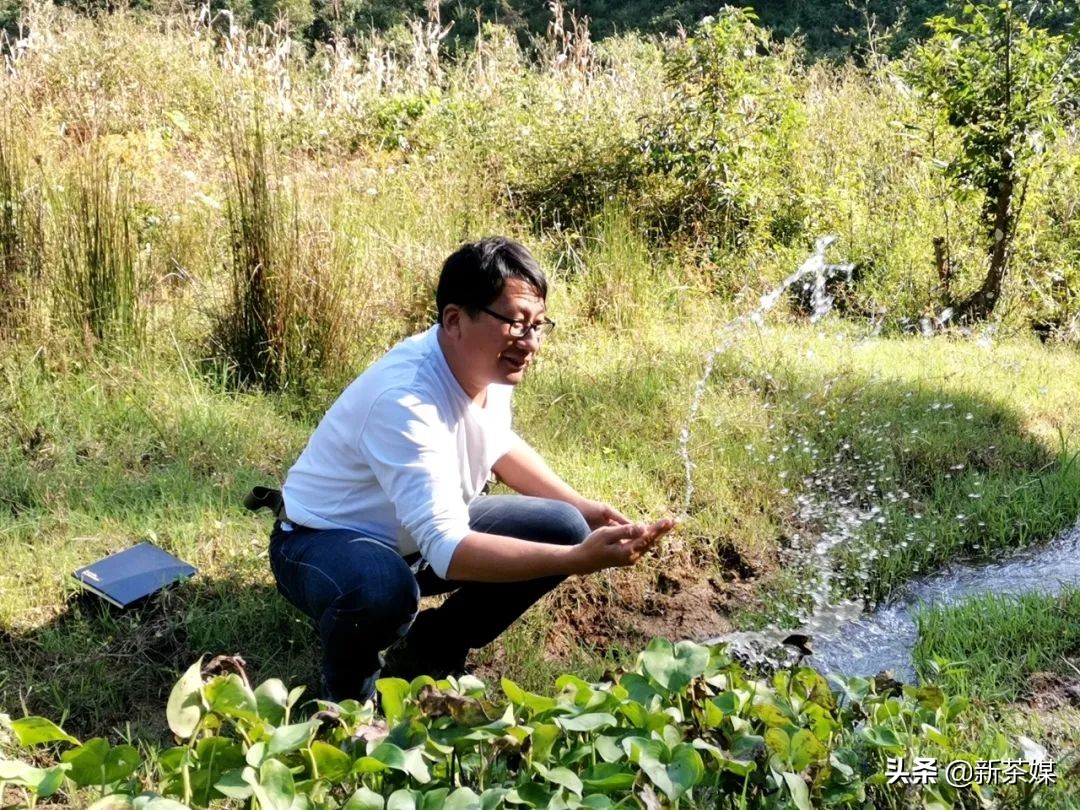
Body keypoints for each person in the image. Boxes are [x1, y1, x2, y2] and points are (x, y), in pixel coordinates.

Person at [264, 236, 674, 702]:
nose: (531, 343)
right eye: (517, 325)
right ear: (455, 320)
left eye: (539, 326)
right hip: (319, 542)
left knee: (562, 524)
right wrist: (577, 562)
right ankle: (349, 709)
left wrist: (583, 508)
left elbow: (497, 444)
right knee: (383, 589)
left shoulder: (484, 364)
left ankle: (432, 647)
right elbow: (449, 550)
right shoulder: (404, 399)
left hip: (413, 543)